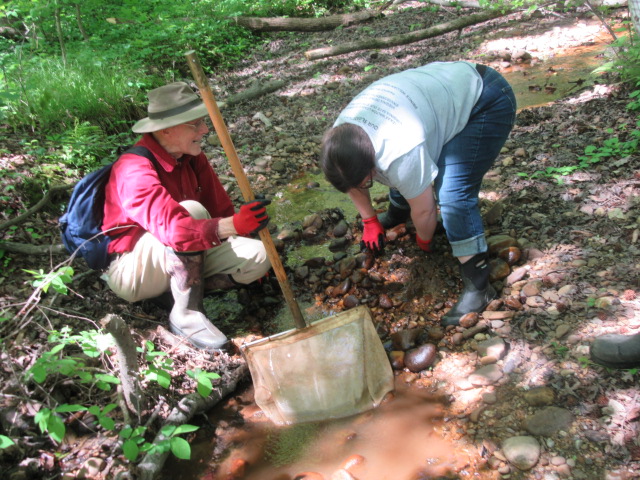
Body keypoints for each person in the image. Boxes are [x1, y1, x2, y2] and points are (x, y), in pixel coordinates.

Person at [320, 61, 516, 326]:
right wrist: (369, 221)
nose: (363, 187)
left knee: (454, 195)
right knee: (406, 176)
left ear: (373, 162)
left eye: (366, 182)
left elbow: (425, 210)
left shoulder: (398, 151)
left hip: (484, 100)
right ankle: (398, 212)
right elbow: (354, 179)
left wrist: (425, 240)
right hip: (442, 95)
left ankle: (479, 286)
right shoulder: (341, 138)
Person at [102, 82, 271, 351]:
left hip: (179, 253)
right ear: (165, 129)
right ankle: (187, 314)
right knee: (190, 210)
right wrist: (235, 224)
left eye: (203, 122)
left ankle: (173, 294)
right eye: (195, 124)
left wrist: (249, 226)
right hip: (133, 271)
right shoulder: (133, 168)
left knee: (260, 256)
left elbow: (220, 211)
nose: (204, 130)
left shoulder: (191, 157)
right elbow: (175, 230)